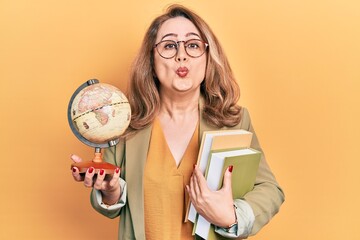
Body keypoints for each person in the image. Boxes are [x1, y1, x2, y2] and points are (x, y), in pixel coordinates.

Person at [71, 4, 284, 240]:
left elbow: (271, 191)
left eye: (192, 45)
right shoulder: (124, 124)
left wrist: (231, 216)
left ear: (207, 58)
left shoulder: (233, 121)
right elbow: (111, 200)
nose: (181, 55)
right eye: (169, 46)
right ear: (151, 62)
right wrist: (111, 191)